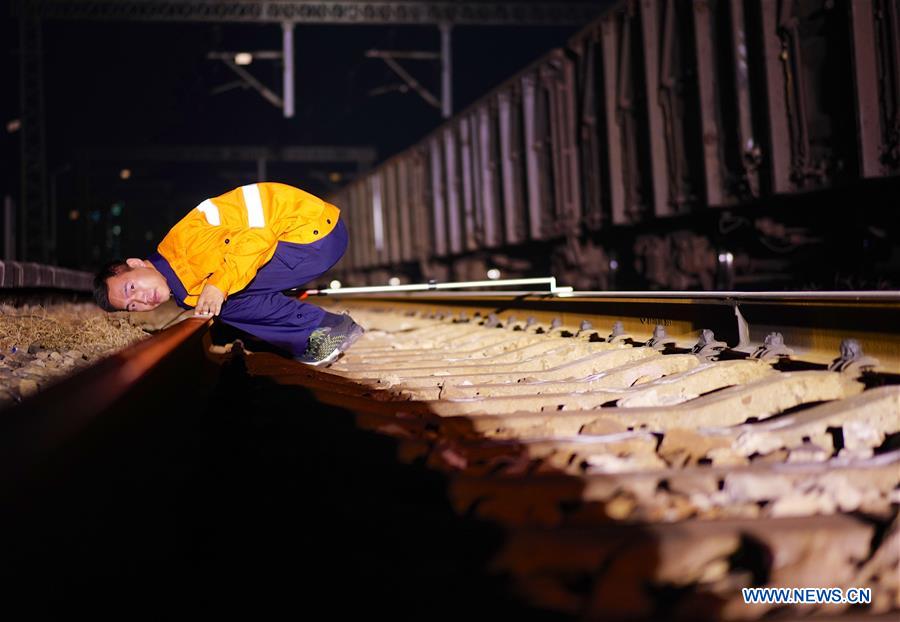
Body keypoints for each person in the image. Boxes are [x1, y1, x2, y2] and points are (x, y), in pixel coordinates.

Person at [93, 182, 364, 366]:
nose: (142, 299)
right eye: (133, 305)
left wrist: (218, 285)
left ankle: (323, 331)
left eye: (131, 288)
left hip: (312, 235)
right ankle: (317, 328)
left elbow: (258, 238)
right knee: (224, 297)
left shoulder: (186, 249)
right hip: (310, 235)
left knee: (226, 300)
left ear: (136, 263)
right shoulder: (177, 267)